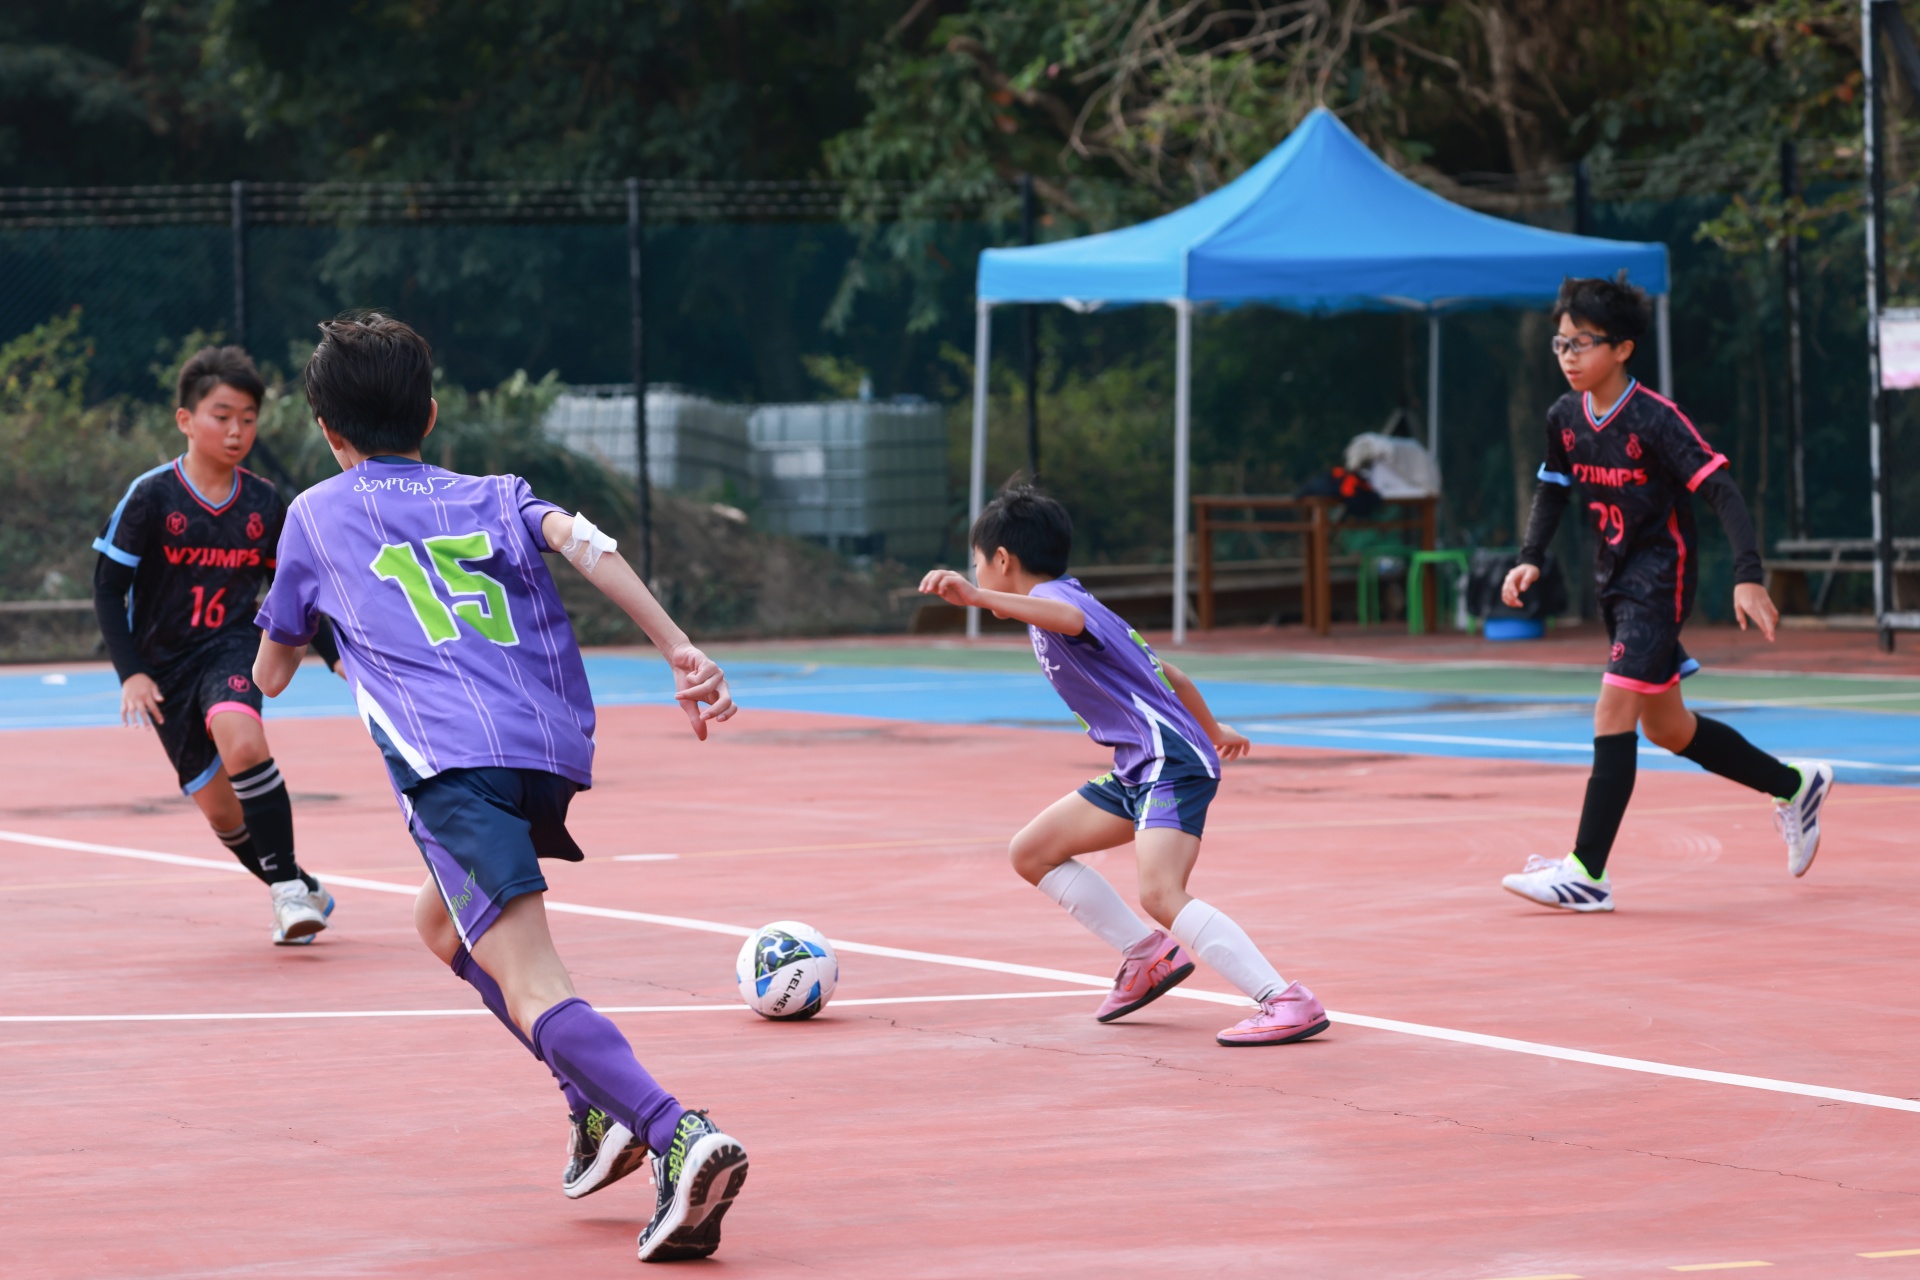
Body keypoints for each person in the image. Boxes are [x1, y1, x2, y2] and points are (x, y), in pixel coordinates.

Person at [251, 312, 747, 1263]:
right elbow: (586, 544)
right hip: (541, 752)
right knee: (439, 925)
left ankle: (674, 1130)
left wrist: (310, 625)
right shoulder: (495, 492)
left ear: (326, 430)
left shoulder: (312, 515)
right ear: (431, 415)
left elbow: (270, 676)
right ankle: (592, 1104)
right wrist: (680, 648)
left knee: (533, 977)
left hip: (452, 768)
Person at [919, 486, 1327, 1047]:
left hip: (1167, 763)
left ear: (1003, 561)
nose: (975, 574)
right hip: (1141, 765)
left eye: (976, 564)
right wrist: (1214, 731)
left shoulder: (1062, 604)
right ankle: (1145, 956)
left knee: (1161, 892)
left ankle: (1284, 1000)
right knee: (1031, 851)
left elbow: (1064, 618)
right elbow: (1171, 675)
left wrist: (976, 598)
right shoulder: (1083, 603)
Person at [1498, 275, 1833, 912]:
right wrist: (1530, 559)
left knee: (1611, 712)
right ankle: (1794, 784)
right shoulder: (1564, 417)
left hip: (1659, 581)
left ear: (1622, 348)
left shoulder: (1656, 419)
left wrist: (1748, 574)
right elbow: (1553, 488)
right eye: (1560, 343)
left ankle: (1586, 872)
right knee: (1669, 727)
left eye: (1582, 343)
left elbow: (1721, 489)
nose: (1568, 355)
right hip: (1614, 583)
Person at [92, 345, 336, 945]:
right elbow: (107, 588)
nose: (236, 431)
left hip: (232, 647)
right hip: (164, 668)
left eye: (248, 419)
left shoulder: (264, 503)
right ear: (186, 420)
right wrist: (131, 673)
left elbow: (295, 591)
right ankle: (303, 885)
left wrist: (337, 657)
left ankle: (286, 896)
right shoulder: (151, 497)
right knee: (223, 812)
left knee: (242, 738)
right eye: (222, 416)